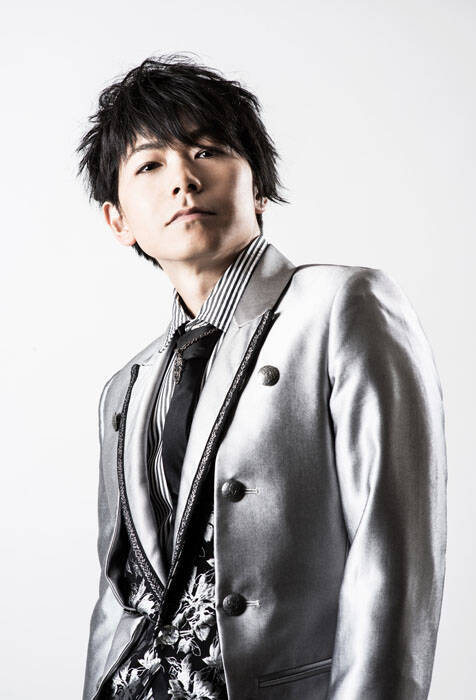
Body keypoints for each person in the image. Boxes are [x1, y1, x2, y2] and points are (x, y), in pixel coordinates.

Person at [76, 53, 447, 700]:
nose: (183, 180)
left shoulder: (343, 306)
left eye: (208, 151)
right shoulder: (125, 386)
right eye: (150, 165)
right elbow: (119, 597)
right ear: (118, 220)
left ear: (259, 189)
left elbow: (394, 556)